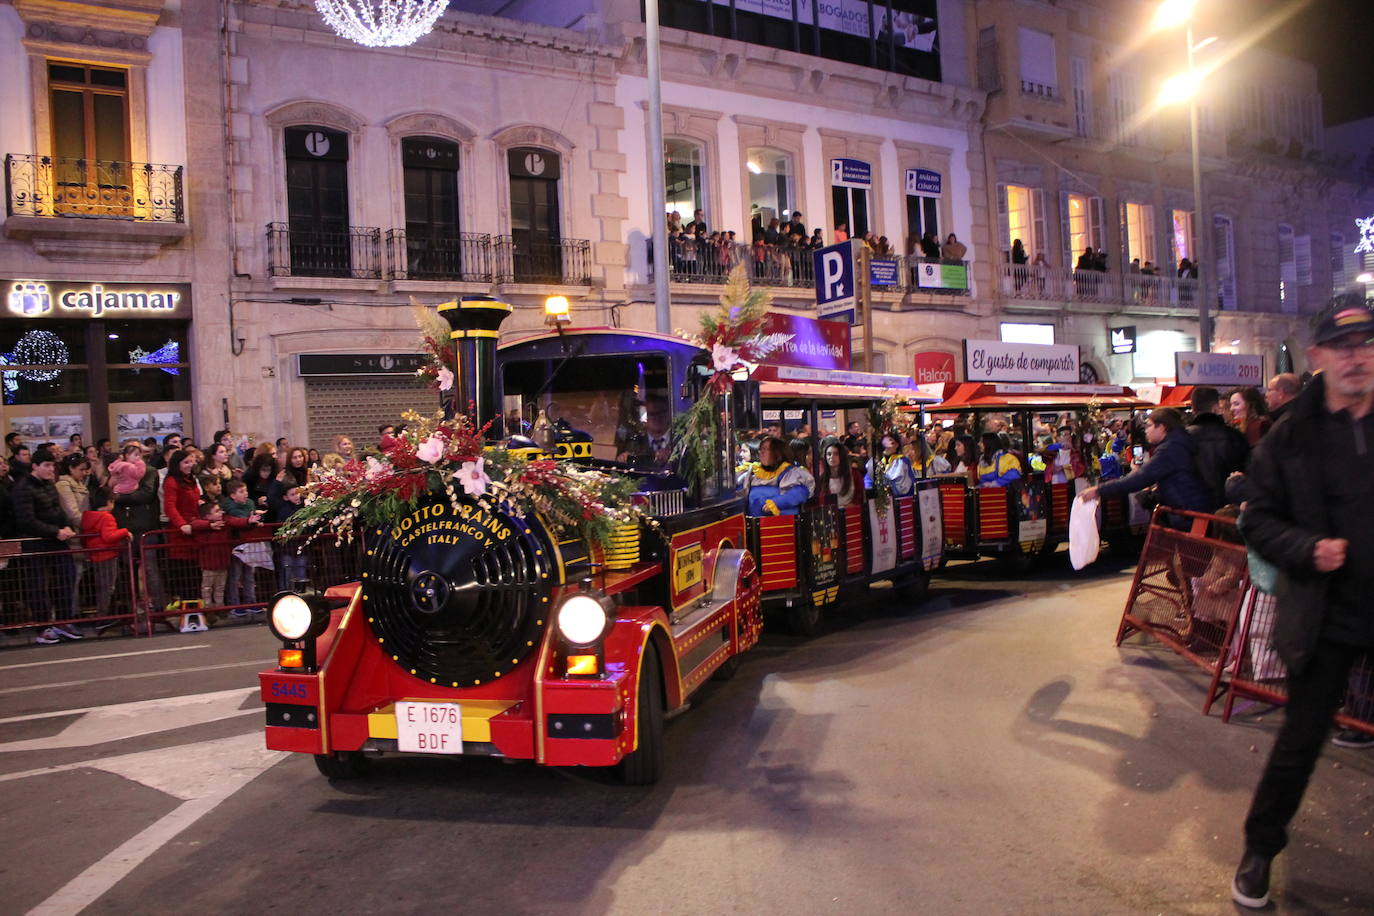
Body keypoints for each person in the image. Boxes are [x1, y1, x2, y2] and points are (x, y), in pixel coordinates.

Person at [1227, 296, 1374, 908]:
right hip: (1325, 616)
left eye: (1366, 345)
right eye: (1343, 348)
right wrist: (1308, 549)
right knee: (1300, 742)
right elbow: (1256, 520)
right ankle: (1260, 849)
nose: (1357, 358)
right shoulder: (1288, 438)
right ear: (1317, 357)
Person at [1080, 408, 1214, 527]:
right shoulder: (1179, 443)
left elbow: (1140, 479)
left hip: (1189, 518)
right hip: (1191, 514)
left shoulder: (1170, 449)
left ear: (1161, 427)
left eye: (1149, 426)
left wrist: (1098, 490)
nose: (1146, 430)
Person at [12, 448, 81, 642]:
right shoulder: (23, 487)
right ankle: (42, 626)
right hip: (36, 543)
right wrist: (55, 531)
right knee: (38, 585)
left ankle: (64, 620)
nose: (51, 469)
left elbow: (57, 510)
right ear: (35, 466)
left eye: (53, 465)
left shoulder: (49, 484)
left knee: (67, 578)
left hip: (57, 540)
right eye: (47, 465)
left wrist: (65, 525)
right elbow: (26, 520)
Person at [1186, 387, 1250, 509]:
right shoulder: (1235, 436)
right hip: (1229, 508)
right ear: (1216, 407)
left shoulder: (1183, 438)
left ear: (1193, 408)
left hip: (1195, 512)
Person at [80, 486, 131, 620]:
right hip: (108, 556)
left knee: (100, 586)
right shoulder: (107, 517)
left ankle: (101, 613)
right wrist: (125, 531)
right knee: (108, 587)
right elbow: (108, 536)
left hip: (95, 557)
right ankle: (104, 615)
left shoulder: (87, 517)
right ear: (109, 502)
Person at [738, 436, 811, 516]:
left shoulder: (790, 472)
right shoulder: (754, 471)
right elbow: (742, 493)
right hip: (755, 522)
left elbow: (800, 493)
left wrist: (776, 502)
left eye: (766, 449)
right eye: (761, 449)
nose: (761, 452)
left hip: (780, 522)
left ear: (778, 453)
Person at [868, 432, 915, 496]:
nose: (888, 446)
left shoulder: (902, 461)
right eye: (885, 443)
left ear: (897, 445)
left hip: (901, 497)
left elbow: (894, 478)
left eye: (892, 443)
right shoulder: (879, 461)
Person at [819, 439, 863, 508]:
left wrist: (851, 506)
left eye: (836, 454)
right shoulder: (822, 478)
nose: (831, 457)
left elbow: (859, 496)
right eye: (829, 454)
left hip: (850, 512)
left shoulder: (854, 474)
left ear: (842, 456)